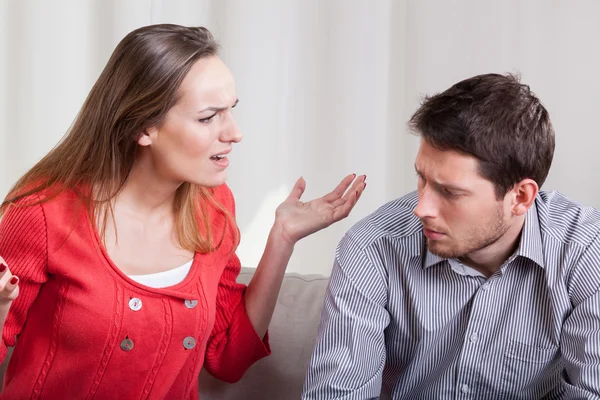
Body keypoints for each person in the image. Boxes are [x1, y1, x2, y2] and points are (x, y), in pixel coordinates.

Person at [0, 24, 366, 399]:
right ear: (144, 126)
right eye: (208, 117)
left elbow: (228, 359)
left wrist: (283, 238)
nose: (235, 133)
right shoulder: (41, 212)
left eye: (231, 111)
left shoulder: (213, 208)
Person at [302, 73, 600, 399]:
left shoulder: (585, 252)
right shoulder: (373, 248)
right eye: (422, 178)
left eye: (450, 192)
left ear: (521, 197)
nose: (422, 208)